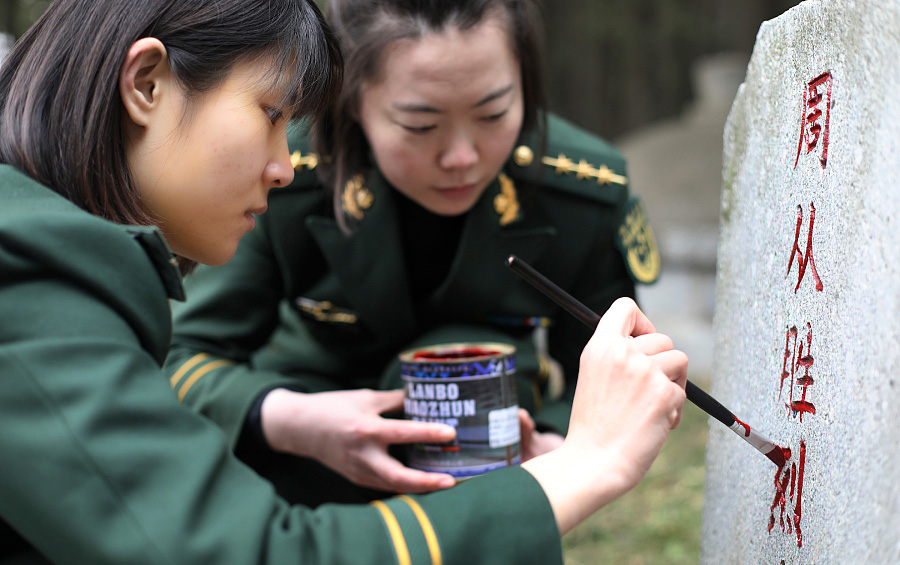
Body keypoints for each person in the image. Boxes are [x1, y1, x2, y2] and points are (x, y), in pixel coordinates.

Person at [0, 1, 687, 563]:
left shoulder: (45, 251)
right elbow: (252, 549)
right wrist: (585, 466)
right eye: (272, 115)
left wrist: (558, 441)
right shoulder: (34, 282)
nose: (280, 166)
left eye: (492, 112)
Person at [165, 0, 663, 507]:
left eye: (493, 114)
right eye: (421, 125)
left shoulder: (581, 193)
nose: (462, 157)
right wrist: (287, 419)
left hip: (493, 484)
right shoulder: (285, 176)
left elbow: (601, 366)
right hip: (311, 480)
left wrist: (559, 445)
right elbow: (181, 357)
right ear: (352, 102)